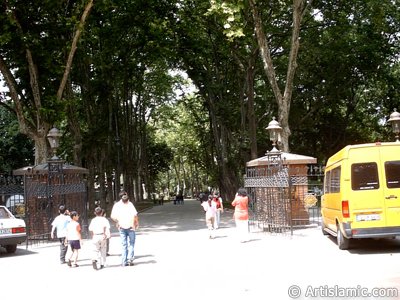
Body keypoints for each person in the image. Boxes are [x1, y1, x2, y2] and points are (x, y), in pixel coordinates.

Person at [111, 191, 139, 267]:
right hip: (131, 227)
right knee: (132, 243)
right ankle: (130, 259)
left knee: (124, 244)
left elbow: (112, 216)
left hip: (121, 227)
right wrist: (136, 224)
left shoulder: (116, 205)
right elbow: (135, 215)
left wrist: (117, 222)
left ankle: (124, 261)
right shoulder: (130, 204)